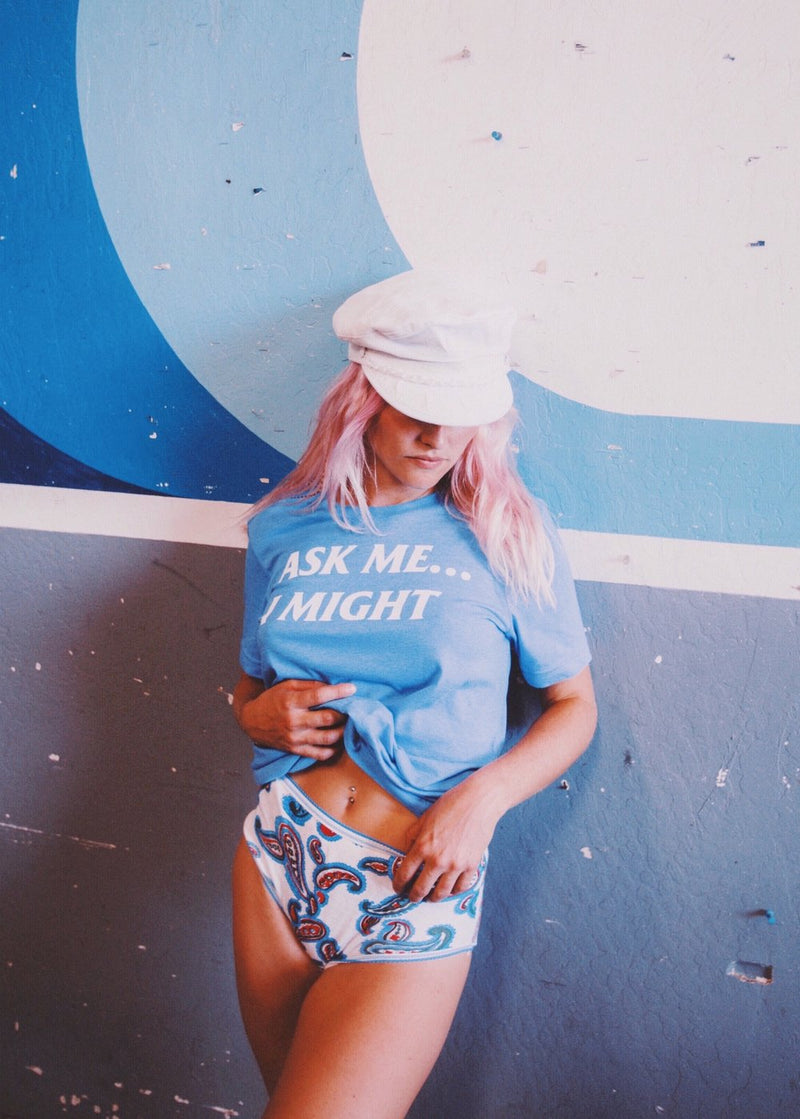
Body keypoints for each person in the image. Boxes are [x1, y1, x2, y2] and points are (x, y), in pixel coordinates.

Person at [231, 269, 597, 1119]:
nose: (437, 436)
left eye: (459, 411)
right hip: (277, 856)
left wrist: (482, 801)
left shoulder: (506, 530)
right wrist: (257, 713)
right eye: (413, 408)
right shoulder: (283, 524)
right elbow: (250, 688)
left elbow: (576, 707)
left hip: (415, 881)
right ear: (363, 401)